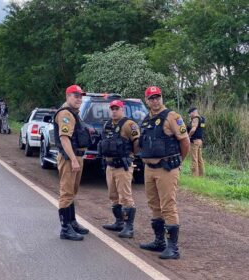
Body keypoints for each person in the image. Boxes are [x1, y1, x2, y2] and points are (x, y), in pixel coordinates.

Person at [139, 86, 190, 259]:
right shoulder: (146, 120)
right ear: (146, 101)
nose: (155, 100)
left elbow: (185, 142)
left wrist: (178, 162)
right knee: (154, 205)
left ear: (161, 98)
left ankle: (173, 248)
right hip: (149, 169)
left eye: (157, 97)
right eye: (151, 98)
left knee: (168, 205)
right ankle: (159, 241)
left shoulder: (172, 117)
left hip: (167, 168)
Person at [54, 84, 91, 241]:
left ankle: (72, 222)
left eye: (80, 96)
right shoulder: (65, 114)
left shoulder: (75, 114)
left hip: (76, 157)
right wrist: (74, 159)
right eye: (75, 96)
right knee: (67, 192)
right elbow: (64, 138)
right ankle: (65, 228)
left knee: (72, 191)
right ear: (67, 96)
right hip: (70, 158)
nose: (79, 99)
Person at [99, 100, 140, 238]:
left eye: (117, 108)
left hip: (123, 166)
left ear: (123, 110)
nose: (114, 111)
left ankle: (129, 227)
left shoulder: (129, 125)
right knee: (113, 196)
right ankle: (119, 222)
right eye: (112, 109)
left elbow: (137, 143)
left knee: (126, 197)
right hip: (109, 166)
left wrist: (130, 156)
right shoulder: (108, 124)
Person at [188, 107, 205, 176]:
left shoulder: (195, 119)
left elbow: (193, 129)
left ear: (193, 112)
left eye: (190, 113)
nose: (189, 115)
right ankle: (201, 174)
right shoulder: (202, 119)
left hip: (194, 141)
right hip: (200, 141)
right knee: (200, 158)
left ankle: (194, 175)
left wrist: (188, 136)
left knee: (194, 158)